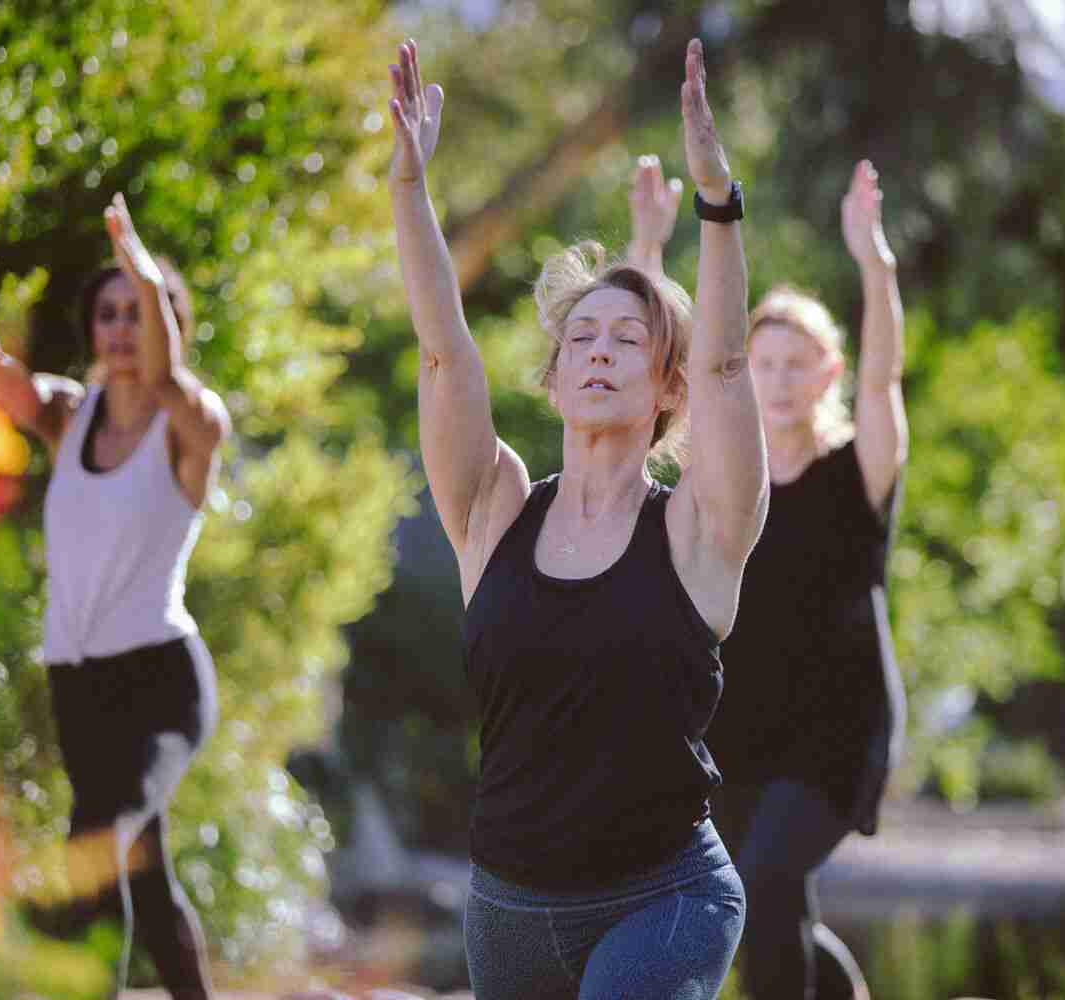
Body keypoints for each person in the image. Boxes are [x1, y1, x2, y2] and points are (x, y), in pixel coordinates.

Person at [386, 35, 766, 1000]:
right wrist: (408, 190)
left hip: (665, 898)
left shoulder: (697, 532)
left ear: (664, 384)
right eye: (580, 337)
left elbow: (728, 364)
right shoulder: (497, 507)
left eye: (628, 338)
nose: (598, 352)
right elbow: (442, 354)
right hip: (507, 911)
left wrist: (717, 204)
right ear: (554, 379)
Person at [0, 195, 228, 1000]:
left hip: (161, 681)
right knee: (144, 873)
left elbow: (169, 379)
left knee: (95, 845)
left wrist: (136, 258)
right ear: (92, 326)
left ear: (170, 322)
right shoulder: (71, 414)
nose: (122, 327)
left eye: (139, 310)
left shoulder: (192, 426)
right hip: (81, 683)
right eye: (110, 312)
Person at [630, 156, 907, 1000]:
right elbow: (650, 380)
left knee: (769, 880)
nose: (780, 379)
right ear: (742, 370)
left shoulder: (855, 472)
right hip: (741, 724)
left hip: (838, 728)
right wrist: (647, 243)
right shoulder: (724, 472)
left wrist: (874, 262)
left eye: (799, 363)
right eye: (764, 361)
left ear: (827, 374)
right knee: (754, 895)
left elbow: (884, 377)